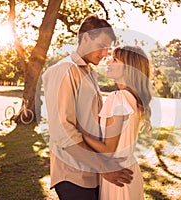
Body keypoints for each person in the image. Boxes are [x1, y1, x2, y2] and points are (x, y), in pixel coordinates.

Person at [42, 15, 133, 200]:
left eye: (108, 48)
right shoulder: (65, 70)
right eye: (101, 45)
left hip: (92, 173)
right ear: (85, 38)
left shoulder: (88, 72)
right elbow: (62, 131)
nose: (105, 53)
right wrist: (103, 167)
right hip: (74, 175)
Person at [82, 45, 152, 200]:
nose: (107, 62)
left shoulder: (118, 98)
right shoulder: (134, 99)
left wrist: (80, 132)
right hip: (129, 171)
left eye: (114, 60)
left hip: (117, 177)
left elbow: (108, 149)